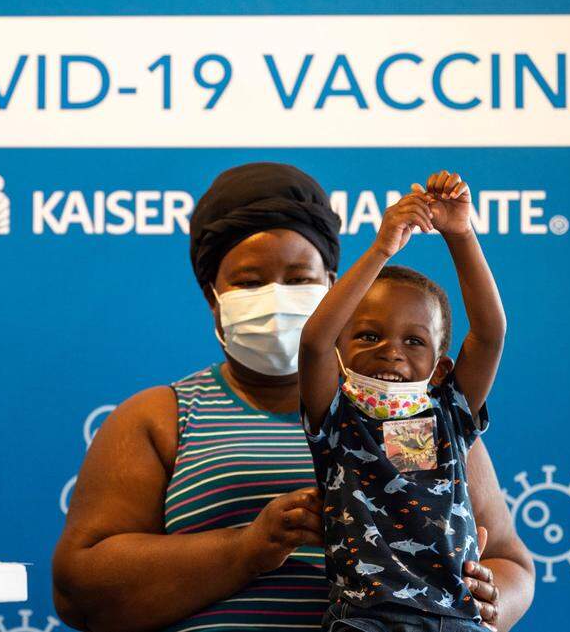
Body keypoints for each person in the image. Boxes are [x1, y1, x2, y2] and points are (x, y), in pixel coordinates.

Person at [52, 163, 534, 632]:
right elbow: (80, 591)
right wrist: (245, 549)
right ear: (212, 295)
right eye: (249, 281)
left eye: (302, 279)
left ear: (334, 286)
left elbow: (512, 566)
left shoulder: (420, 419)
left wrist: (490, 601)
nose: (277, 297)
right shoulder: (159, 418)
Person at [299, 170, 504, 630]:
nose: (391, 350)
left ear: (442, 370)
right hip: (364, 620)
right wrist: (382, 248)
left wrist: (461, 233)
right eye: (369, 335)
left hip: (459, 618)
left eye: (414, 342)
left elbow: (490, 334)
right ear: (339, 352)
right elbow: (313, 344)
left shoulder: (449, 413)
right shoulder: (335, 415)